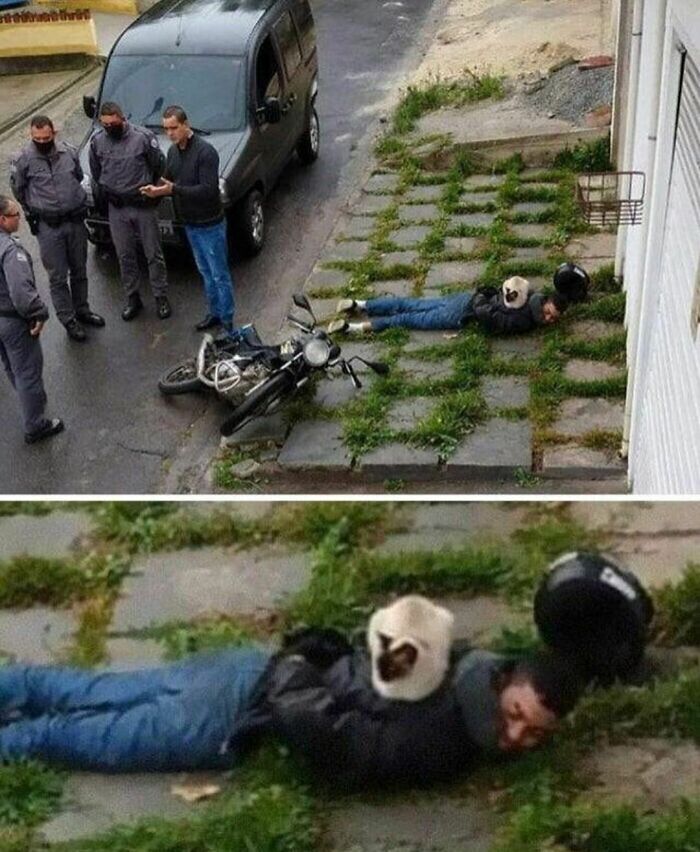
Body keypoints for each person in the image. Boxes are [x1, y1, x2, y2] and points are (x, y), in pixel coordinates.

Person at [0, 632, 580, 786]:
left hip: (243, 667)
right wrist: (291, 694)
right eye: (516, 713)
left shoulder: (458, 658)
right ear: (506, 681)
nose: (516, 735)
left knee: (87, 691)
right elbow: (334, 746)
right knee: (67, 736)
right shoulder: (442, 738)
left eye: (534, 734)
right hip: (232, 716)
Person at [140, 106, 236, 332]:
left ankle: (228, 321)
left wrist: (173, 189)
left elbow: (207, 190)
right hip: (190, 224)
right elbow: (168, 179)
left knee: (219, 274)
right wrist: (155, 189)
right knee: (205, 272)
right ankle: (214, 313)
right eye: (166, 129)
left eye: (174, 128)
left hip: (210, 224)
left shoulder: (205, 152)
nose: (170, 133)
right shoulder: (173, 152)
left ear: (186, 125)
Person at [10, 115, 105, 343]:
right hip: (49, 227)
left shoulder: (68, 152)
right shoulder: (23, 159)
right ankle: (68, 319)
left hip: (74, 221)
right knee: (58, 277)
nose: (42, 142)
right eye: (37, 138)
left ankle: (82, 309)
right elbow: (18, 190)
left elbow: (78, 177)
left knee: (80, 269)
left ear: (54, 133)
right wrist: (35, 210)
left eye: (46, 137)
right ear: (31, 136)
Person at [88, 102, 171, 322]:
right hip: (117, 207)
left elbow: (159, 166)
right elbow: (96, 173)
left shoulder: (142, 137)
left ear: (122, 118)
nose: (109, 127)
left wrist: (151, 191)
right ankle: (133, 297)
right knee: (124, 255)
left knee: (153, 253)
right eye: (105, 124)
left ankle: (160, 296)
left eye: (113, 123)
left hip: (142, 204)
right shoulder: (97, 142)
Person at [0, 196, 64, 444]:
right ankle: (35, 425)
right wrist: (39, 312)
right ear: (3, 220)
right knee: (28, 370)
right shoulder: (10, 250)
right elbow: (20, 292)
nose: (20, 219)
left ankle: (30, 399)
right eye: (15, 215)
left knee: (11, 365)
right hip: (12, 320)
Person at [327, 287, 568, 335]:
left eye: (552, 319)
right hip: (462, 313)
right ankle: (353, 328)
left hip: (464, 297)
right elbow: (492, 320)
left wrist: (482, 295)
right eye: (549, 313)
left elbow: (497, 290)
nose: (547, 319)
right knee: (409, 319)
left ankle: (360, 304)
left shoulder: (528, 291)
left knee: (411, 304)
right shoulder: (525, 320)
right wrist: (480, 304)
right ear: (546, 302)